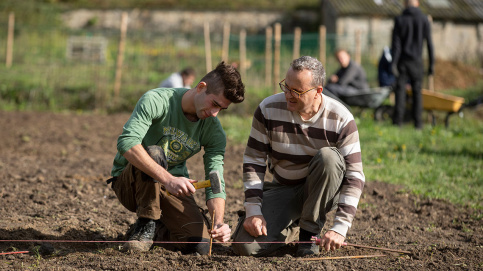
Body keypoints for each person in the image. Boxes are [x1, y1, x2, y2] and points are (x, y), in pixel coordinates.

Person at [231, 56, 365, 257]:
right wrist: (253, 211)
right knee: (245, 246)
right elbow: (254, 160)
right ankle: (293, 223)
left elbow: (355, 175)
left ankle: (308, 234)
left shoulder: (341, 118)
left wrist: (340, 228)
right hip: (285, 188)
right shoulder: (268, 110)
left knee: (329, 158)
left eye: (297, 91)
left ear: (318, 91)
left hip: (325, 189)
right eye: (286, 86)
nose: (288, 95)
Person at [108, 62, 245, 254]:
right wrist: (168, 179)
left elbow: (215, 178)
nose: (215, 113)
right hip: (131, 183)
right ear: (200, 87)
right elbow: (127, 142)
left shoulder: (213, 130)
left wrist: (219, 222)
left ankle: (157, 230)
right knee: (154, 152)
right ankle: (145, 224)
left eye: (221, 109)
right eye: (214, 104)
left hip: (171, 189)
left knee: (200, 246)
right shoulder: (157, 100)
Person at [391, 0, 434, 129]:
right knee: (417, 93)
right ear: (418, 3)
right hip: (417, 62)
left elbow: (396, 45)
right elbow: (430, 44)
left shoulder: (400, 19)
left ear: (405, 4)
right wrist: (432, 64)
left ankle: (397, 122)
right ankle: (418, 124)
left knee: (400, 92)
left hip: (403, 62)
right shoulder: (424, 19)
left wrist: (394, 63)